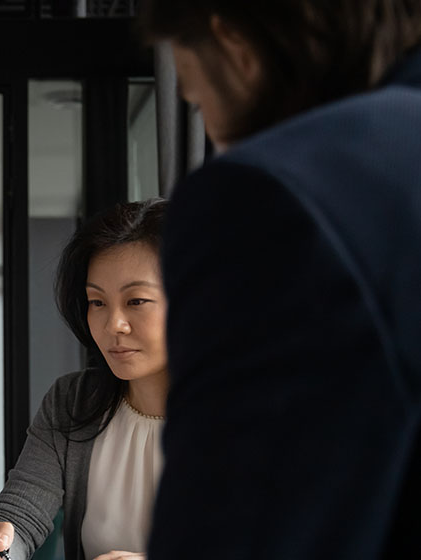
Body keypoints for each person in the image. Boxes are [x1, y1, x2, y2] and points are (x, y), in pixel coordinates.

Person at [138, 0, 421, 557]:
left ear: (234, 43)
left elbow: (239, 533)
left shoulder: (274, 195)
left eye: (196, 99)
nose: (216, 133)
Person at [0, 200, 168, 560]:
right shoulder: (73, 400)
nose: (113, 325)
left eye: (136, 301)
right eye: (97, 302)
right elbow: (21, 512)